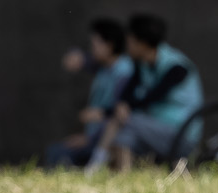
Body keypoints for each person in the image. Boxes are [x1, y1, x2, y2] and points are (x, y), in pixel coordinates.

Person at [107, 12, 202, 169]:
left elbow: (154, 97)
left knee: (127, 120)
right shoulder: (142, 64)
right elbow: (127, 94)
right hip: (154, 130)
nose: (127, 45)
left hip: (182, 135)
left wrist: (117, 109)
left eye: (130, 41)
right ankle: (121, 183)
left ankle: (95, 163)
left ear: (142, 43)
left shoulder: (177, 66)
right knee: (125, 137)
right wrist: (122, 105)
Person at [46, 17, 131, 170]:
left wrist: (90, 139)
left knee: (58, 154)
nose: (92, 49)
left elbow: (120, 113)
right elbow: (86, 61)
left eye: (95, 44)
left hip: (105, 142)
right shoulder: (105, 68)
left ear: (109, 45)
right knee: (56, 151)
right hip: (94, 138)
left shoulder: (124, 71)